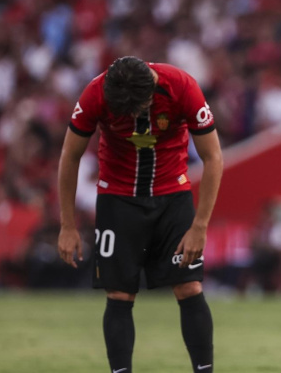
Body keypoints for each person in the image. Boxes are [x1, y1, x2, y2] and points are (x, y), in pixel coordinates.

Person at [57, 56, 223, 373]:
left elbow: (213, 157)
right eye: (126, 112)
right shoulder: (95, 93)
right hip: (117, 200)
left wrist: (200, 226)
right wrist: (67, 225)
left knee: (189, 286)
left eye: (138, 108)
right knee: (119, 294)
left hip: (173, 197)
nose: (133, 115)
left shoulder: (183, 87)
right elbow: (70, 155)